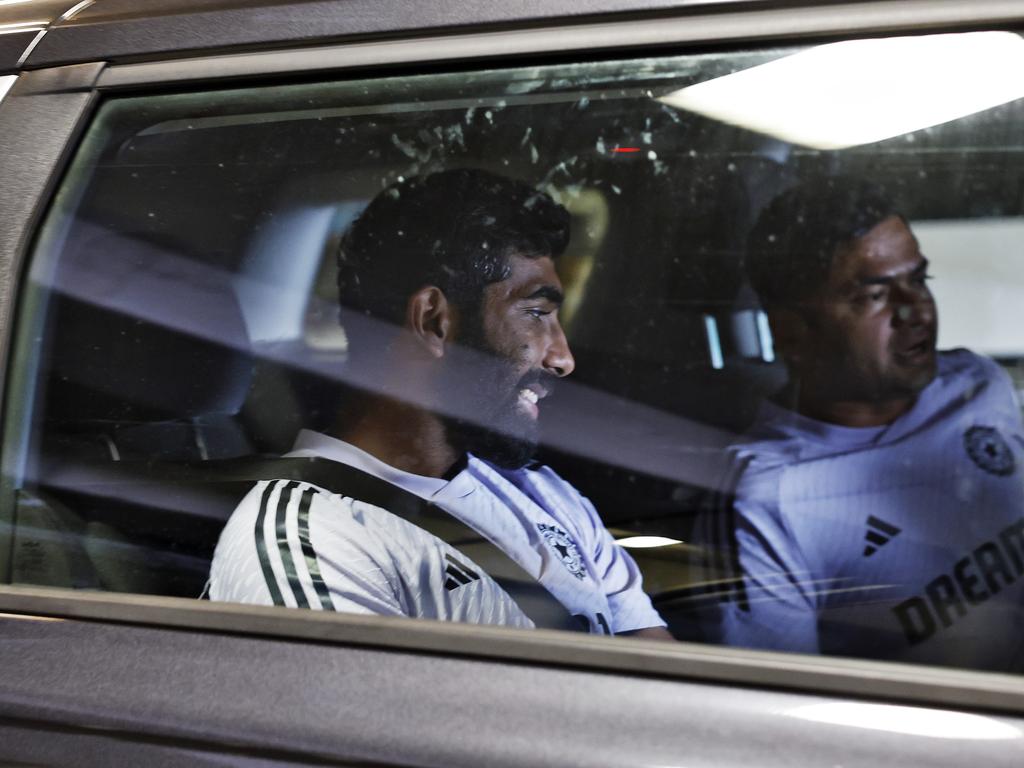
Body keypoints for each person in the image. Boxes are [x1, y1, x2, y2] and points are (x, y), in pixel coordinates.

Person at [209, 168, 669, 638]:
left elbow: (661, 673)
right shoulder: (311, 543)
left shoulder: (546, 496)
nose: (563, 358)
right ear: (434, 322)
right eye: (536, 314)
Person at [697, 176, 1024, 670]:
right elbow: (778, 712)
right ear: (792, 332)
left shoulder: (977, 384)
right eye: (876, 295)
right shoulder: (769, 500)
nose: (916, 310)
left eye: (918, 280)